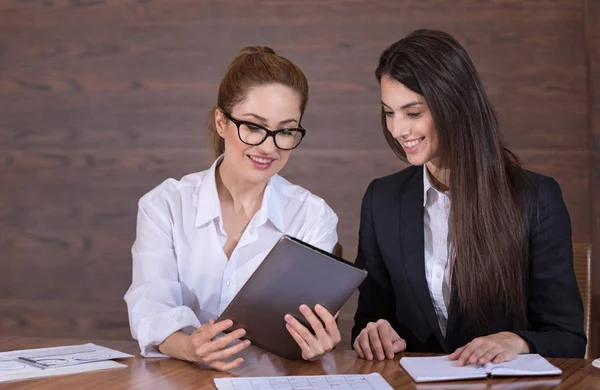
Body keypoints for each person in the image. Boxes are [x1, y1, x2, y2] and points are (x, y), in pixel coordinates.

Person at [351, 29, 586, 366]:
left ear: (454, 105)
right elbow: (367, 321)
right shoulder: (381, 199)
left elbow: (568, 339)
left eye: (413, 113)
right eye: (389, 112)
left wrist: (517, 341)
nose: (398, 129)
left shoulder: (535, 198)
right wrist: (374, 333)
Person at [125, 46, 341, 371]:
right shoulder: (165, 205)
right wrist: (191, 348)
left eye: (285, 131)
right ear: (221, 122)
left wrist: (314, 346)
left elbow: (303, 332)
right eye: (253, 126)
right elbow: (151, 309)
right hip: (182, 379)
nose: (269, 147)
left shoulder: (313, 217)